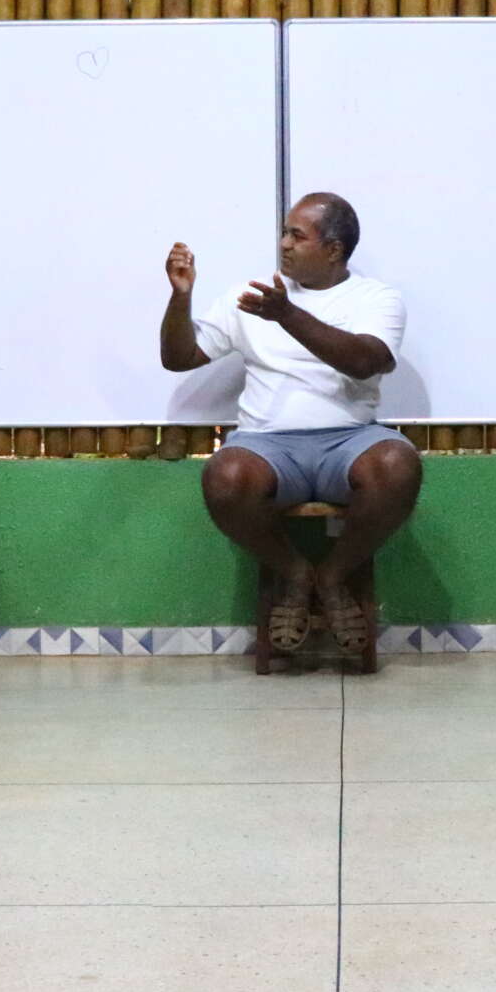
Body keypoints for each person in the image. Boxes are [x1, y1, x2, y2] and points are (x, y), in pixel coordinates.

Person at [161, 192, 421, 664]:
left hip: (349, 440)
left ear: (334, 249)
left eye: (296, 236)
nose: (283, 244)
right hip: (267, 444)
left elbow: (366, 362)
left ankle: (335, 574)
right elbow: (179, 359)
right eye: (284, 232)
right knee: (225, 477)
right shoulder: (254, 296)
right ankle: (297, 573)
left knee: (397, 464)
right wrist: (181, 300)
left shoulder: (375, 298)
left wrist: (288, 315)